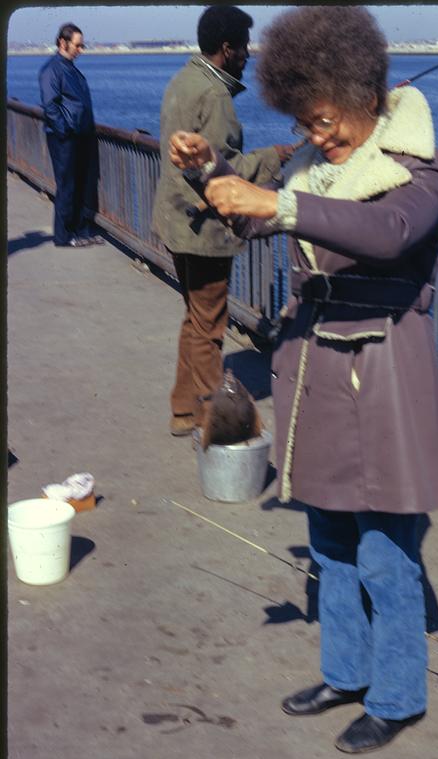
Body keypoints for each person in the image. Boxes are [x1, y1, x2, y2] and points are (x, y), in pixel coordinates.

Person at [169, 5, 438, 754]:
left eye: (326, 119)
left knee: (386, 552)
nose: (317, 135)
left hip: (382, 371)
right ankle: (346, 671)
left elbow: (388, 232)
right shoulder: (311, 166)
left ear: (364, 93)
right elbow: (256, 220)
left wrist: (282, 201)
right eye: (306, 121)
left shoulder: (419, 169)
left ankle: (398, 696)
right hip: (314, 368)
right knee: (329, 539)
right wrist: (210, 173)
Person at [152, 5, 294, 437]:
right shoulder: (213, 95)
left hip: (176, 221)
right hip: (203, 229)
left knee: (195, 318)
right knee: (210, 327)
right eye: (244, 47)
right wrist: (277, 156)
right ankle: (221, 425)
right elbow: (223, 167)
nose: (248, 56)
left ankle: (182, 411)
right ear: (227, 48)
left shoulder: (184, 79)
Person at [39, 22, 103, 248]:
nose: (81, 50)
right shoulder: (52, 70)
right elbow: (50, 105)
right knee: (67, 185)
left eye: (82, 45)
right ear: (62, 42)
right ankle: (64, 236)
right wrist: (64, 131)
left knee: (83, 184)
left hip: (80, 136)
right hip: (65, 138)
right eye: (78, 45)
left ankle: (81, 230)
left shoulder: (70, 68)